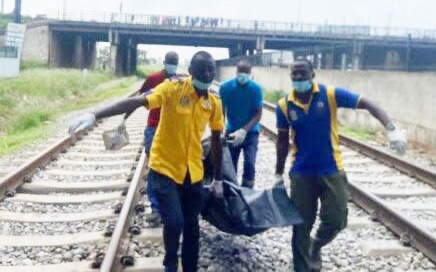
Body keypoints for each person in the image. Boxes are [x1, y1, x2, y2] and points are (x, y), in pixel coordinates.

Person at [69, 51, 225, 272]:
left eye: (212, 69)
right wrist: (95, 114)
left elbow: (217, 139)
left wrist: (218, 179)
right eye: (203, 70)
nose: (208, 74)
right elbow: (138, 100)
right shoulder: (172, 88)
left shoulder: (215, 101)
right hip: (164, 169)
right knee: (174, 222)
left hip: (194, 173)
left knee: (192, 227)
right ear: (191, 71)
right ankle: (170, 264)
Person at [274, 58, 407, 272]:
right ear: (290, 76)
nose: (299, 78)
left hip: (331, 169)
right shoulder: (283, 106)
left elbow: (368, 103)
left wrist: (391, 129)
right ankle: (301, 266)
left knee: (337, 219)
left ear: (312, 74)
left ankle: (316, 245)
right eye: (295, 75)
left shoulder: (330, 95)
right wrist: (278, 174)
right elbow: (281, 141)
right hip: (301, 173)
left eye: (303, 74)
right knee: (300, 225)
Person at [138, 51, 179, 224]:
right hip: (154, 126)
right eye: (170, 62)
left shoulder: (179, 82)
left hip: (171, 129)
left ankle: (167, 205)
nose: (172, 64)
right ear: (165, 62)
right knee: (154, 168)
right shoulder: (154, 77)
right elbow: (141, 97)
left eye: (175, 62)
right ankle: (155, 208)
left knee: (169, 169)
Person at [219, 60, 263, 188]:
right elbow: (221, 110)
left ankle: (247, 190)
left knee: (250, 163)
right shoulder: (226, 88)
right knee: (230, 165)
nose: (243, 76)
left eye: (246, 73)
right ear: (236, 72)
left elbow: (258, 114)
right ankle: (232, 191)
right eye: (240, 73)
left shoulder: (256, 89)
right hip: (231, 131)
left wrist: (244, 130)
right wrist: (220, 129)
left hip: (251, 132)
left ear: (250, 73)